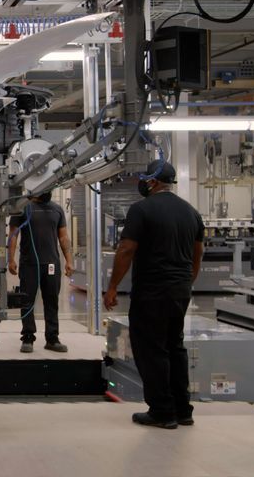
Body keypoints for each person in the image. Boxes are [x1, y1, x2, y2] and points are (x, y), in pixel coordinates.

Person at [104, 160, 204, 430]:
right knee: (175, 347)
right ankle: (183, 410)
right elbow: (198, 254)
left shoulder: (141, 210)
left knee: (152, 350)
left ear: (152, 181)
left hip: (152, 292)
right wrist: (185, 282)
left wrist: (112, 286)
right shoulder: (191, 213)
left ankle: (162, 412)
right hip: (180, 291)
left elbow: (126, 250)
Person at [8, 190, 73, 353]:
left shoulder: (57, 209)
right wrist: (10, 259)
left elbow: (63, 237)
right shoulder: (22, 208)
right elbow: (13, 235)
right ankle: (28, 338)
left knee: (51, 301)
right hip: (29, 263)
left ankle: (52, 338)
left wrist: (69, 260)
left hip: (51, 264)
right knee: (27, 301)